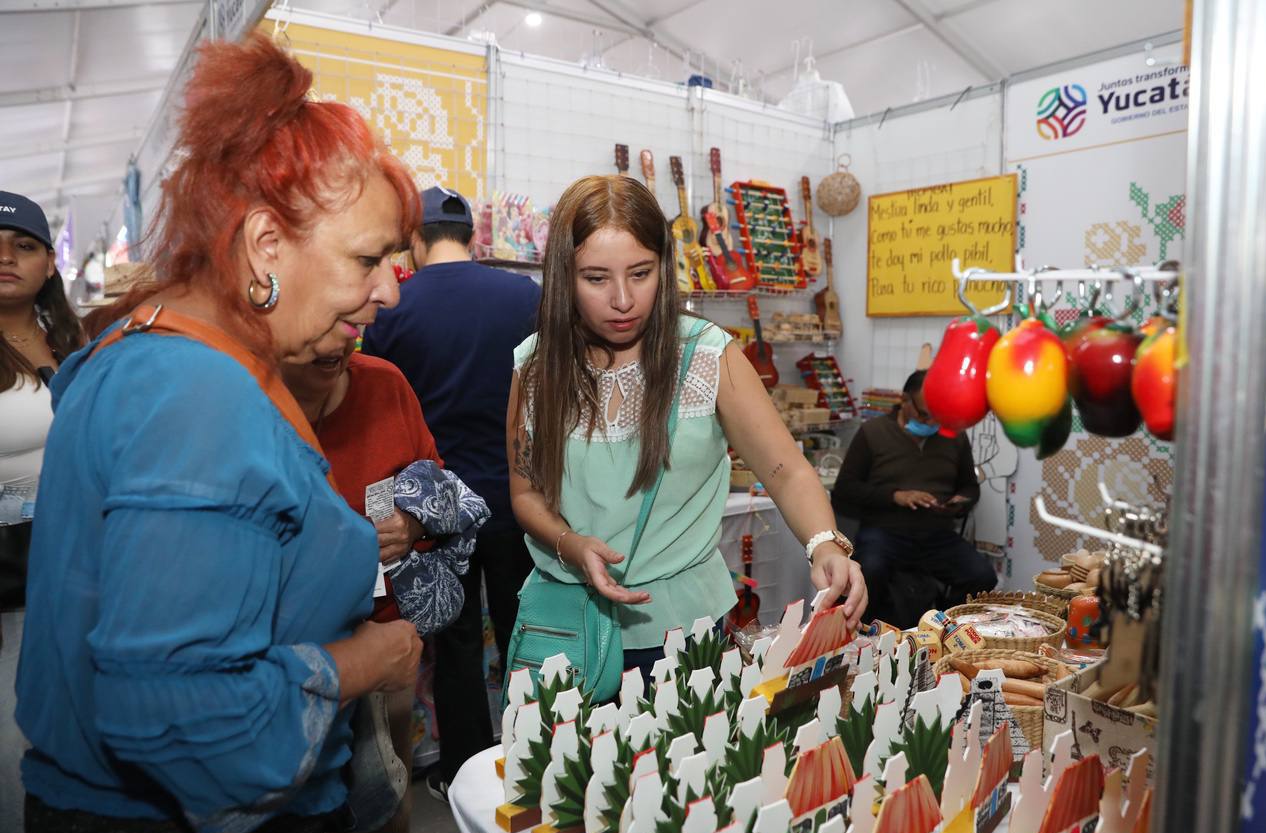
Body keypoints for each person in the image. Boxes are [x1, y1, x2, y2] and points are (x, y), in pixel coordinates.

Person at [15, 35, 424, 833]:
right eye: (369, 257)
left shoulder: (152, 345)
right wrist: (368, 658)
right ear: (267, 245)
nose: (390, 288)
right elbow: (176, 711)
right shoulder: (197, 396)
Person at [507, 174, 867, 683]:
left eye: (640, 273)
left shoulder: (706, 356)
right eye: (595, 279)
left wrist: (825, 544)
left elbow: (785, 470)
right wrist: (569, 543)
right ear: (564, 276)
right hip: (569, 630)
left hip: (682, 634)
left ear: (664, 267)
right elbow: (525, 492)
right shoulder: (536, 365)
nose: (623, 299)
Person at [362, 186, 540, 797]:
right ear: (471, 237)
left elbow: (373, 409)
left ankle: (464, 771)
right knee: (528, 630)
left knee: (457, 643)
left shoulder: (390, 307)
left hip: (438, 508)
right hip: (521, 496)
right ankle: (535, 753)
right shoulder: (523, 295)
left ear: (416, 238)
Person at [283, 336, 487, 833]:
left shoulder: (385, 384)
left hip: (383, 634)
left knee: (381, 808)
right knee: (288, 826)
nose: (334, 345)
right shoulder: (247, 394)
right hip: (284, 654)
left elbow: (434, 480)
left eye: (348, 329)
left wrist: (413, 523)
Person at [0, 191, 85, 833]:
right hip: (9, 588)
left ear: (49, 262)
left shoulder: (71, 338)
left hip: (82, 573)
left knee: (80, 741)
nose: (7, 257)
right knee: (13, 755)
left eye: (24, 244)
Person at [830, 369, 996, 628]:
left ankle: (940, 628)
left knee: (982, 576)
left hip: (936, 534)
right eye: (924, 415)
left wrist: (960, 501)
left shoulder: (953, 436)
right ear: (904, 400)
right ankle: (867, 636)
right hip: (885, 532)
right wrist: (895, 496)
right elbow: (845, 490)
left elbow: (970, 487)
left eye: (937, 417)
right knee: (870, 571)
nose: (931, 423)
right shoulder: (873, 433)